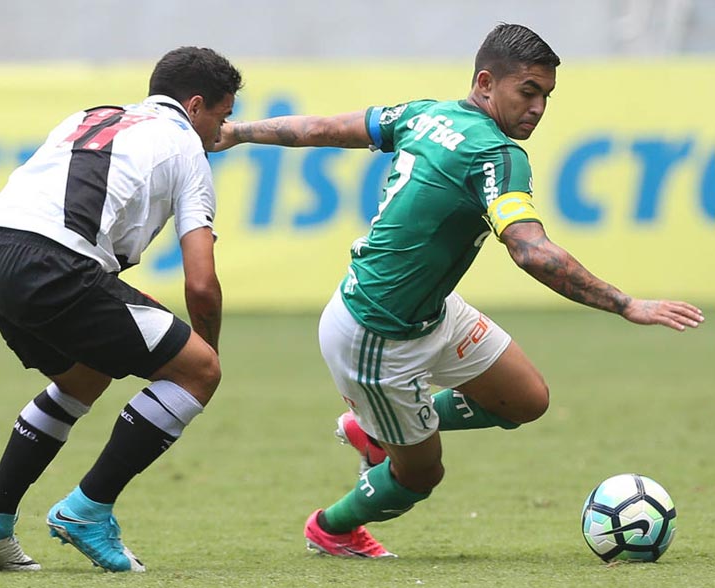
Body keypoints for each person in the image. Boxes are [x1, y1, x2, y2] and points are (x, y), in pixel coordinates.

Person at [213, 23, 704, 558]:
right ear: (487, 82)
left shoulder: (428, 114)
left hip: (431, 312)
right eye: (529, 91)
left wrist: (240, 133)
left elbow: (322, 129)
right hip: (378, 336)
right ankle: (331, 528)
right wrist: (627, 304)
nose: (539, 107)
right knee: (420, 476)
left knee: (527, 400)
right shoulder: (496, 154)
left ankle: (374, 428)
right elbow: (530, 250)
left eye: (547, 96)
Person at [0, 46, 242, 572]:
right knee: (198, 371)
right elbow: (201, 284)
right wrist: (204, 359)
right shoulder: (185, 149)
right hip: (52, 266)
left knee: (85, 376)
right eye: (221, 119)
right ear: (196, 105)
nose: (220, 134)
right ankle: (87, 510)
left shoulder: (93, 115)